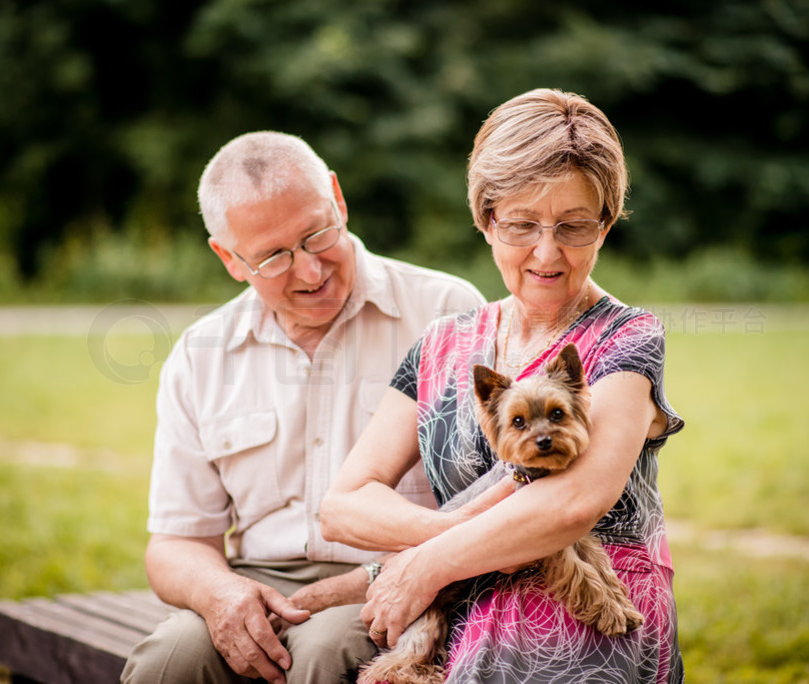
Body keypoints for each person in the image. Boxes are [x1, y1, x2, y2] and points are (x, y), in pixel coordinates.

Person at [321, 88, 685, 682]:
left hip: (590, 632)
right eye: (521, 224)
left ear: (607, 223)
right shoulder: (440, 344)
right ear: (486, 220)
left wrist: (425, 565)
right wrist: (445, 539)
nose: (548, 252)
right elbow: (342, 506)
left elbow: (572, 504)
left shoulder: (628, 339)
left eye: (575, 226)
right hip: (453, 632)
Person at [121, 131, 485, 684]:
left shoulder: (446, 312)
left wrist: (383, 575)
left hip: (399, 578)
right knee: (166, 662)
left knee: (322, 652)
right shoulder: (200, 354)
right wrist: (221, 595)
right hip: (254, 581)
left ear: (338, 199)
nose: (311, 272)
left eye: (317, 235)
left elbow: (492, 500)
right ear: (230, 258)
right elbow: (176, 543)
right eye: (273, 257)